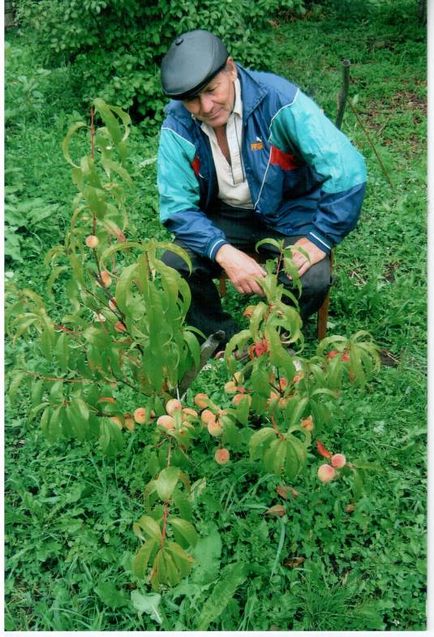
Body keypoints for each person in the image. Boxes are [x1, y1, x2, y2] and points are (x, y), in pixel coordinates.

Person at [157, 29, 366, 344]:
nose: (206, 106)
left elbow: (348, 171)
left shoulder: (279, 100)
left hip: (289, 210)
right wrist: (223, 251)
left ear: (230, 68)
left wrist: (321, 238)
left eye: (213, 90)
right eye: (192, 99)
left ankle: (272, 342)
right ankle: (222, 339)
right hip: (225, 214)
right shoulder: (178, 124)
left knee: (311, 279)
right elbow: (177, 207)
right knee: (174, 264)